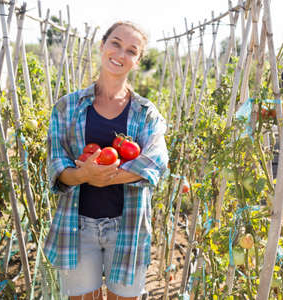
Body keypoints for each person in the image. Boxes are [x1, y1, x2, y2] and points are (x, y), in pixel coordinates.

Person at [44, 21, 169, 300]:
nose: (120, 53)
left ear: (137, 61)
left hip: (128, 225)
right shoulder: (67, 107)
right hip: (78, 227)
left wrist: (102, 175)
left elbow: (156, 160)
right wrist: (84, 176)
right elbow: (55, 162)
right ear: (102, 46)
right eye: (115, 43)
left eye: (131, 50)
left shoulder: (146, 112)